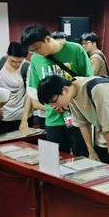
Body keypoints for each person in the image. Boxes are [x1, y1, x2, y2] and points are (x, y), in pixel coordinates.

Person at [37, 75, 109, 170]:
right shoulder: (72, 94)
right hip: (102, 139)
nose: (54, 105)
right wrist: (91, 151)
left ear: (65, 89)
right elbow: (82, 124)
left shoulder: (97, 90)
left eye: (54, 101)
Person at [21, 24, 93, 155]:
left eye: (37, 48)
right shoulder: (36, 59)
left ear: (47, 39)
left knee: (83, 158)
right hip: (53, 120)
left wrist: (68, 103)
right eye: (32, 51)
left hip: (79, 119)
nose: (37, 52)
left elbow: (87, 83)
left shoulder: (75, 49)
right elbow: (36, 94)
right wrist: (53, 105)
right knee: (57, 160)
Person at [0, 42, 30, 135]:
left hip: (21, 115)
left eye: (19, 62)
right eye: (12, 61)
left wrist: (24, 120)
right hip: (1, 115)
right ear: (7, 54)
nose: (15, 64)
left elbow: (30, 95)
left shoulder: (28, 67)